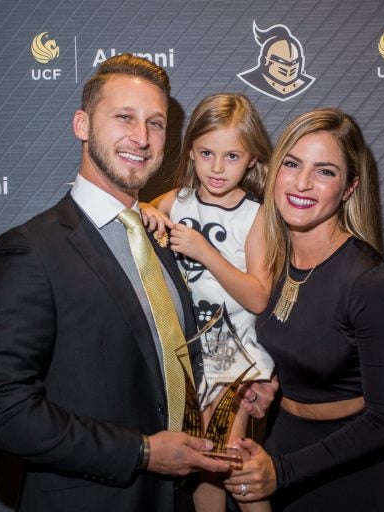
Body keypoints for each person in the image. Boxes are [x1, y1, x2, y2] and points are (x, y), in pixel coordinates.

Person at [0, 54, 275, 512]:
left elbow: (170, 361)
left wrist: (240, 384)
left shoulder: (163, 237)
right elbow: (1, 411)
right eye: (124, 118)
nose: (142, 137)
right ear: (83, 125)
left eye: (155, 123)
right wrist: (144, 453)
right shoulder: (31, 250)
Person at [222, 108, 384, 511]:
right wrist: (269, 384)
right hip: (281, 447)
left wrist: (284, 471)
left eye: (325, 171)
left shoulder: (368, 281)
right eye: (292, 164)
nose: (302, 183)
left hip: (352, 477)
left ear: (349, 188)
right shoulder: (271, 264)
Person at [143, 93, 274, 512]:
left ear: (252, 158)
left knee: (231, 457)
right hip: (187, 350)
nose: (217, 168)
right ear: (191, 152)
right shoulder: (175, 202)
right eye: (206, 153)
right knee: (202, 460)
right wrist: (147, 211)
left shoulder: (256, 215)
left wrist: (205, 252)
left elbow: (257, 296)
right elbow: (142, 209)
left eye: (232, 155)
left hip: (233, 349)